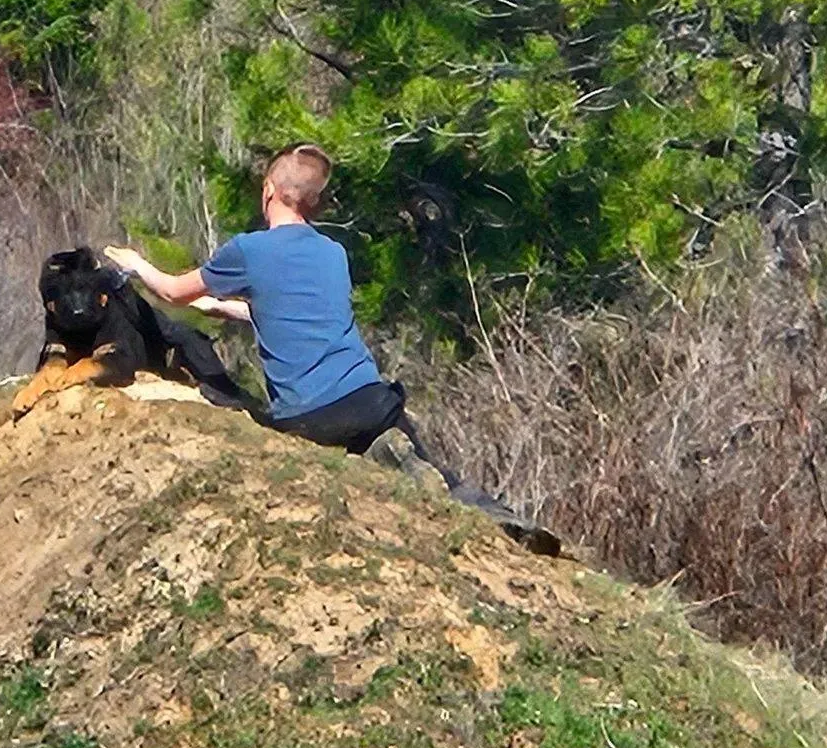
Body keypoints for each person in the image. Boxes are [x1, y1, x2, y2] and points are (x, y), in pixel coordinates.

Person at [103, 144, 558, 555]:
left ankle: (399, 466)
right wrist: (230, 308)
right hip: (368, 400)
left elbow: (172, 292)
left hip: (306, 418)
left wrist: (135, 263)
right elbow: (286, 311)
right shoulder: (334, 253)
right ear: (315, 202)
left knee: (334, 444)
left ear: (268, 191)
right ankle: (500, 520)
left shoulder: (248, 250)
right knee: (437, 472)